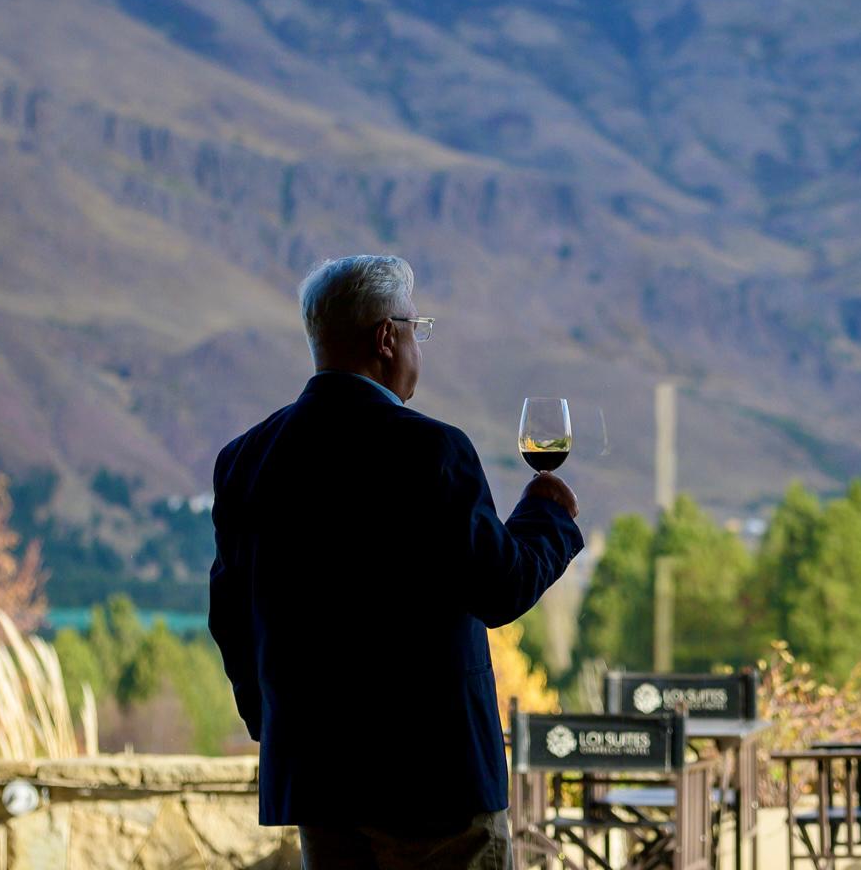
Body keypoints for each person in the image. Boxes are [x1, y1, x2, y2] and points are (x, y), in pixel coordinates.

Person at [209, 254, 583, 870]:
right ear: (387, 337)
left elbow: (231, 619)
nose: (418, 344)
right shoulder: (430, 449)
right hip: (438, 782)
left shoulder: (246, 459)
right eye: (417, 328)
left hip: (319, 781)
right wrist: (548, 515)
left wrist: (276, 722)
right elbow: (499, 587)